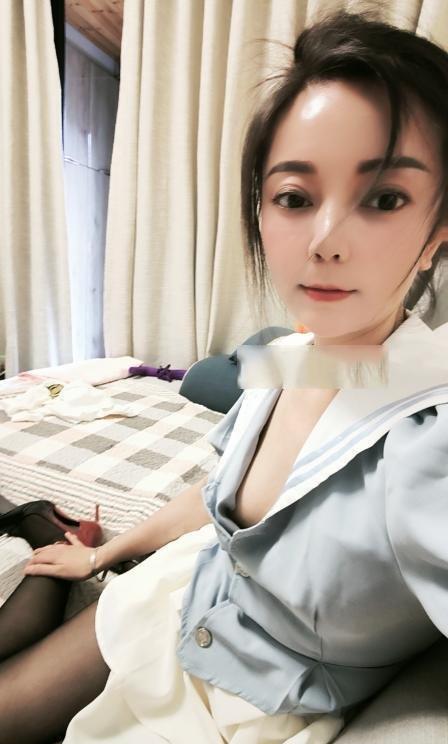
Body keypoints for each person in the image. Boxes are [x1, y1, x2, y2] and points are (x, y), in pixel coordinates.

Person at [2, 7, 448, 743]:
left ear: (437, 232)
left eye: (384, 198)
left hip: (251, 700)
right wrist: (104, 553)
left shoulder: (427, 442)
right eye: (295, 197)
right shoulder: (291, 353)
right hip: (182, 589)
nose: (325, 240)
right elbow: (215, 490)